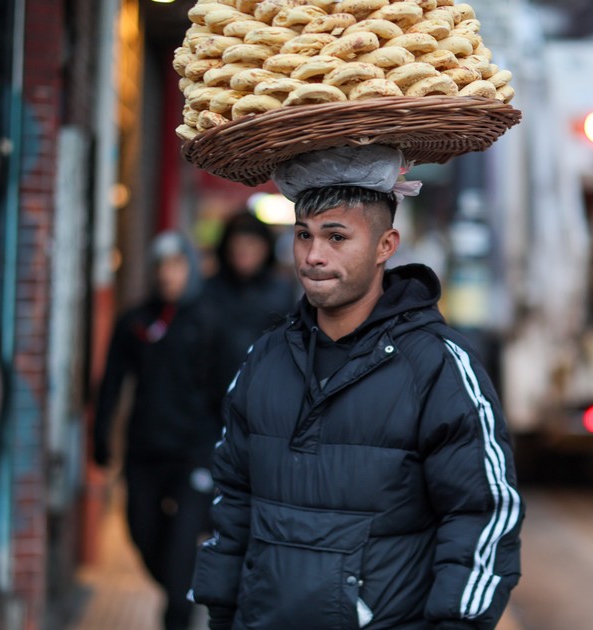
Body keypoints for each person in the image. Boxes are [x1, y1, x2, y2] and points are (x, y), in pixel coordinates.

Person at [191, 146, 523, 629]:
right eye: (303, 235)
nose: (313, 255)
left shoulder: (438, 366)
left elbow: (483, 513)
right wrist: (221, 611)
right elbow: (232, 501)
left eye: (336, 236)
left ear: (385, 245)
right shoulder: (265, 359)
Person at [92, 231, 218, 630]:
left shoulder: (208, 323)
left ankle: (180, 611)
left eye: (176, 265)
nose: (168, 275)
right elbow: (111, 382)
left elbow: (228, 393)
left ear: (190, 269)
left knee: (183, 547)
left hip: (193, 456)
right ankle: (187, 590)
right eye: (161, 266)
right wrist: (100, 434)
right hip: (144, 452)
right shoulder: (136, 322)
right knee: (144, 536)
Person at [200, 210, 295, 396]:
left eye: (251, 244)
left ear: (265, 248)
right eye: (237, 244)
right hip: (210, 399)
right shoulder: (208, 290)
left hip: (265, 394)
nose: (243, 251)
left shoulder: (281, 291)